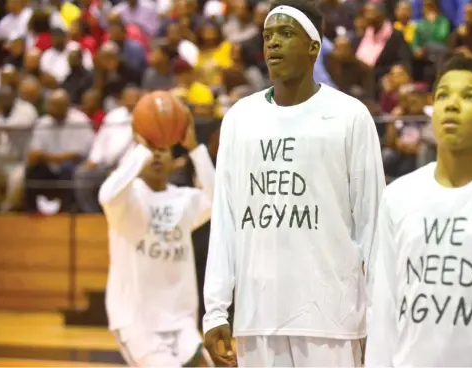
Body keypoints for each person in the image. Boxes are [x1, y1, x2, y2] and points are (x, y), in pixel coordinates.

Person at [202, 0, 385, 366]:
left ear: (313, 47)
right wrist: (216, 310)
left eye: (286, 34)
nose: (273, 44)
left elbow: (374, 226)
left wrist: (380, 320)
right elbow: (225, 219)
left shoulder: (350, 116)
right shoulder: (240, 118)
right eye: (269, 36)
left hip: (331, 318)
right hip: (258, 318)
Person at [365, 55, 472, 367]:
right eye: (443, 95)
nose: (452, 104)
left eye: (469, 96)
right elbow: (384, 309)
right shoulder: (398, 196)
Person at [99, 109, 215, 367]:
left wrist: (195, 148)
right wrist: (142, 148)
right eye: (153, 148)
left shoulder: (185, 200)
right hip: (136, 321)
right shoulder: (126, 200)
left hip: (180, 319)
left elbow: (219, 200)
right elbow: (106, 195)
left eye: (163, 148)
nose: (157, 153)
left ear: (175, 161)